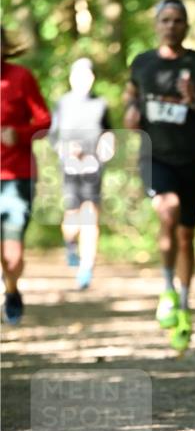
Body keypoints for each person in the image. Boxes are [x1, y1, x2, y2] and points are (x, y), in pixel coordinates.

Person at [123, 0, 195, 352]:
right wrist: (130, 116)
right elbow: (130, 100)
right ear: (156, 24)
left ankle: (183, 299)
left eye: (177, 20)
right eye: (165, 19)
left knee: (186, 235)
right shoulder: (142, 63)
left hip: (191, 160)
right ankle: (166, 287)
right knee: (167, 212)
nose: (171, 25)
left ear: (186, 25)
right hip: (155, 157)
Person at [49, 57, 115, 290]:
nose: (84, 80)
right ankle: (70, 245)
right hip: (69, 168)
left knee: (90, 217)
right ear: (71, 78)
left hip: (93, 167)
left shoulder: (101, 104)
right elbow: (53, 136)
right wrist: (66, 150)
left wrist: (105, 150)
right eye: (79, 75)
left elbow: (109, 133)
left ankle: (87, 267)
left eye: (88, 75)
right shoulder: (63, 103)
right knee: (72, 217)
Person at [0, 27, 51, 324]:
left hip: (18, 175)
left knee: (13, 249)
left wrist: (19, 134)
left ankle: (12, 289)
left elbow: (45, 122)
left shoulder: (21, 78)